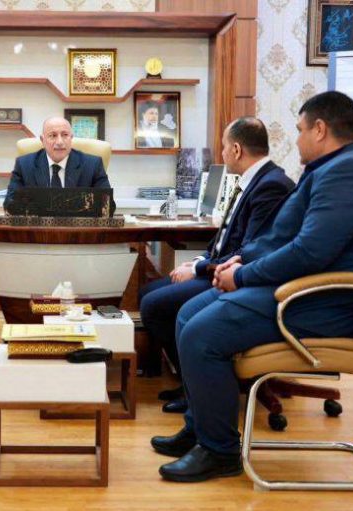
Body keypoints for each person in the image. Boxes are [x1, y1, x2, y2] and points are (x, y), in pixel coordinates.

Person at [154, 91, 353, 483]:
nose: (296, 139)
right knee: (188, 313)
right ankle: (200, 429)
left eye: (300, 130)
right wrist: (241, 261)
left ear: (320, 129)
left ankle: (219, 451)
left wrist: (243, 276)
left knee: (201, 333)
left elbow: (309, 252)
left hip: (318, 302)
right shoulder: (330, 168)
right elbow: (283, 240)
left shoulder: (347, 174)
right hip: (295, 289)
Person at [140, 117, 293, 415]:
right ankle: (193, 381)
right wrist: (200, 260)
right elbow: (227, 238)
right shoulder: (253, 180)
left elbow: (249, 251)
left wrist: (199, 269)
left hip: (237, 278)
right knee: (148, 293)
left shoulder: (271, 186)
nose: (222, 153)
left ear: (236, 149)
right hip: (220, 267)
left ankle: (199, 387)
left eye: (223, 147)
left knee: (155, 305)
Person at [3, 117, 111, 212]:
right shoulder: (24, 165)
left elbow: (108, 206)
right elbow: (9, 204)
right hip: (38, 228)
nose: (59, 142)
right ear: (42, 140)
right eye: (53, 135)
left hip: (78, 228)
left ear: (71, 138)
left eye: (65, 135)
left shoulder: (92, 165)